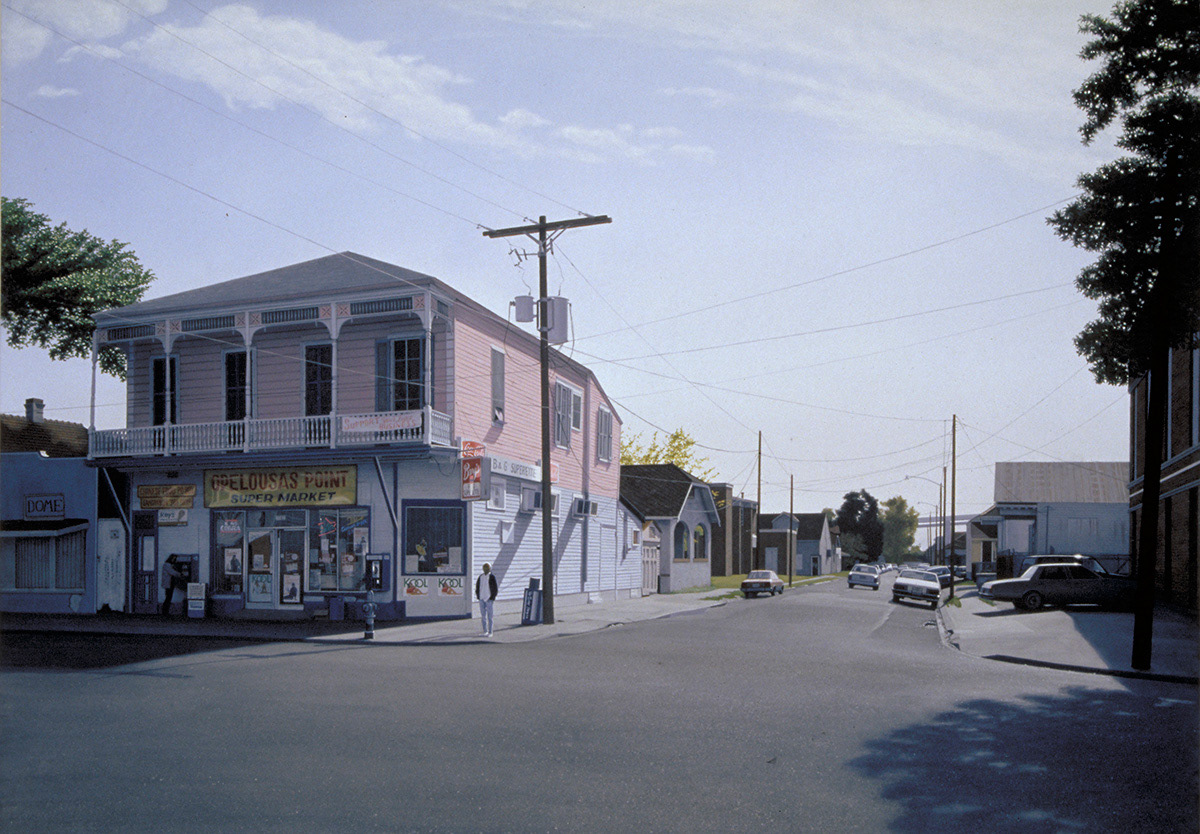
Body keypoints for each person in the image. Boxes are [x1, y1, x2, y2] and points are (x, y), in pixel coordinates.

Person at [475, 562, 498, 636]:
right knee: (483, 616)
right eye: (484, 568)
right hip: (482, 598)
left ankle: (490, 632)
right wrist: (478, 596)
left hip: (489, 599)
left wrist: (492, 597)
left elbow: (495, 588)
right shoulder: (481, 577)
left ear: (490, 568)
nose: (485, 569)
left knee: (490, 616)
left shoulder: (491, 577)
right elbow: (478, 587)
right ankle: (485, 631)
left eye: (487, 568)